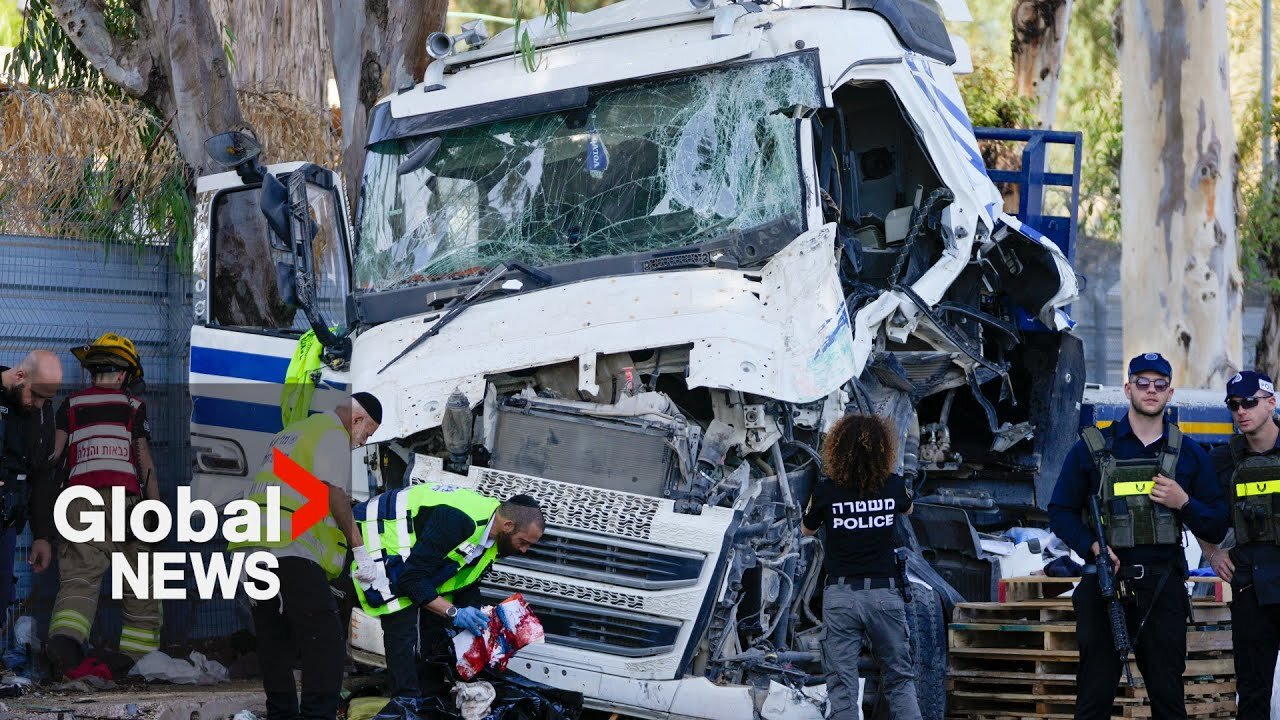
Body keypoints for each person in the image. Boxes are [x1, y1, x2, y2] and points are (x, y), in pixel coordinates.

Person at [1049, 352, 1228, 720]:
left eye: (1159, 385)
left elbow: (1215, 525)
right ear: (1127, 389)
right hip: (1105, 585)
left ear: (1170, 393)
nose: (1151, 391)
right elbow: (1060, 512)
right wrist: (1093, 546)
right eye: (1142, 383)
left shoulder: (1190, 455)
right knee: (1093, 700)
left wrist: (1184, 503)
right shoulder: (1092, 448)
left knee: (1168, 701)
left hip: (1163, 590)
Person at [232, 391, 383, 720]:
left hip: (252, 546)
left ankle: (282, 715)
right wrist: (359, 547)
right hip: (289, 546)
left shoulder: (292, 432)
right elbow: (333, 494)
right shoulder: (332, 434)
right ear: (356, 419)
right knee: (326, 640)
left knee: (275, 639)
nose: (361, 443)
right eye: (366, 434)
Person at [351, 487, 546, 698]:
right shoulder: (459, 520)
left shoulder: (493, 536)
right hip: (378, 529)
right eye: (523, 542)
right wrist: (454, 612)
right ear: (508, 526)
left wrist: (485, 621)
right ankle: (406, 702)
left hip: (410, 548)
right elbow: (411, 580)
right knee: (401, 618)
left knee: (437, 625)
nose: (524, 550)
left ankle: (430, 695)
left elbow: (462, 582)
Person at [41, 333, 159, 677]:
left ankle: (65, 643)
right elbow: (145, 461)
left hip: (80, 500)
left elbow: (54, 456)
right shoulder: (134, 407)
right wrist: (156, 510)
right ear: (124, 375)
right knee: (140, 578)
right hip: (127, 501)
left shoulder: (70, 405)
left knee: (79, 577)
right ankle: (137, 658)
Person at [801, 413, 919, 720]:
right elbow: (909, 508)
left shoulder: (826, 491)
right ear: (883, 450)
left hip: (840, 597)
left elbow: (806, 530)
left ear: (837, 450)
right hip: (884, 595)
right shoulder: (894, 486)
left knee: (842, 684)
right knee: (899, 678)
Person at [1197, 371, 1280, 720]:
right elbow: (1191, 507)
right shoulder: (1222, 460)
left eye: (1249, 402)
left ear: (1272, 403)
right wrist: (1212, 553)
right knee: (1253, 692)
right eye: (1234, 405)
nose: (1241, 411)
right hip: (1251, 586)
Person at [0, 351, 61, 622]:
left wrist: (42, 536)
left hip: (7, 521)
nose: (38, 404)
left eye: (45, 400)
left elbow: (42, 475)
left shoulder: (40, 413)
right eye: (35, 395)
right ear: (20, 375)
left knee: (2, 594)